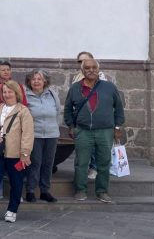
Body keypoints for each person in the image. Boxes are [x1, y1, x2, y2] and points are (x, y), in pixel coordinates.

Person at [64, 59, 125, 203]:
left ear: (98, 69)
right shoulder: (75, 88)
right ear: (82, 70)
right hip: (83, 131)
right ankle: (80, 190)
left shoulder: (109, 87)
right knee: (81, 162)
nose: (91, 70)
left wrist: (117, 127)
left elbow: (119, 108)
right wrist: (71, 126)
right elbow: (67, 109)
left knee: (104, 162)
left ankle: (102, 191)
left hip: (105, 131)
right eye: (87, 68)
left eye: (93, 67)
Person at [0, 80, 34, 223]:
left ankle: (12, 210)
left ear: (16, 93)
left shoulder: (23, 111)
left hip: (15, 154)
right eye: (4, 91)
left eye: (9, 91)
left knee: (16, 183)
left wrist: (25, 153)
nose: (7, 94)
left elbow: (28, 134)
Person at [24, 70, 61, 203]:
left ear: (45, 81)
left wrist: (54, 127)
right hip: (35, 134)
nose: (36, 81)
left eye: (39, 79)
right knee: (35, 163)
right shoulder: (26, 95)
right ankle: (31, 190)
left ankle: (45, 190)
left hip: (51, 134)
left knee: (48, 163)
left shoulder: (51, 94)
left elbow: (58, 112)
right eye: (33, 79)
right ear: (29, 81)